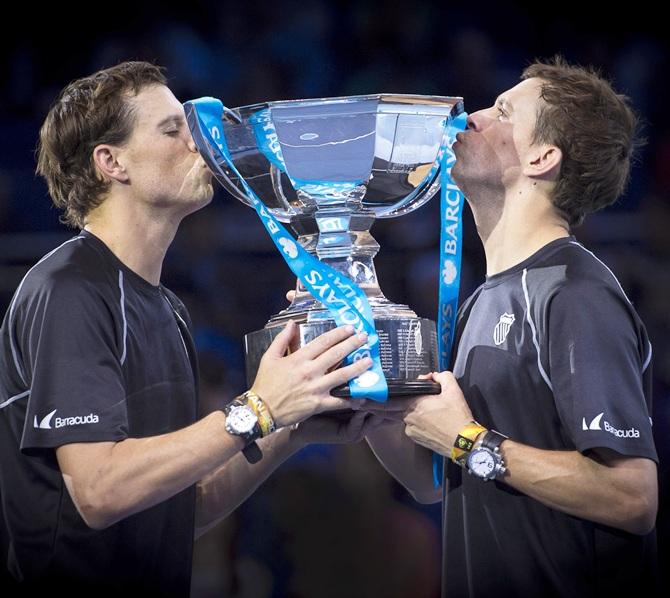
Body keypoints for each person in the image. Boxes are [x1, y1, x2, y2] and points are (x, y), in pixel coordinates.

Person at [0, 61, 381, 596]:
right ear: (112, 163)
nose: (198, 143)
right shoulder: (68, 289)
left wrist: (288, 429)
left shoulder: (168, 308)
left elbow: (183, 510)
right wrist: (257, 408)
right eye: (172, 129)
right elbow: (99, 491)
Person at [363, 57, 659, 597]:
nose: (472, 116)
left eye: (501, 112)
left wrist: (470, 439)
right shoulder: (487, 298)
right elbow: (432, 483)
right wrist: (372, 395)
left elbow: (632, 497)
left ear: (542, 157)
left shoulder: (574, 293)